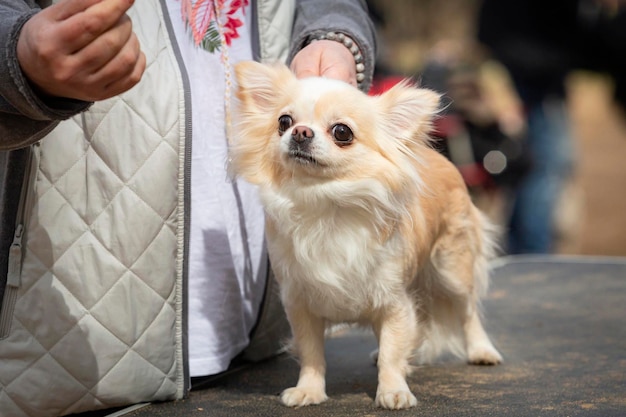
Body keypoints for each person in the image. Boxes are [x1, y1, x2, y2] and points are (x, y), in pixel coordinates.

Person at [0, 0, 376, 415]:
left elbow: (332, 6)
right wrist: (16, 60)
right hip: (76, 350)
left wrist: (334, 37)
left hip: (262, 344)